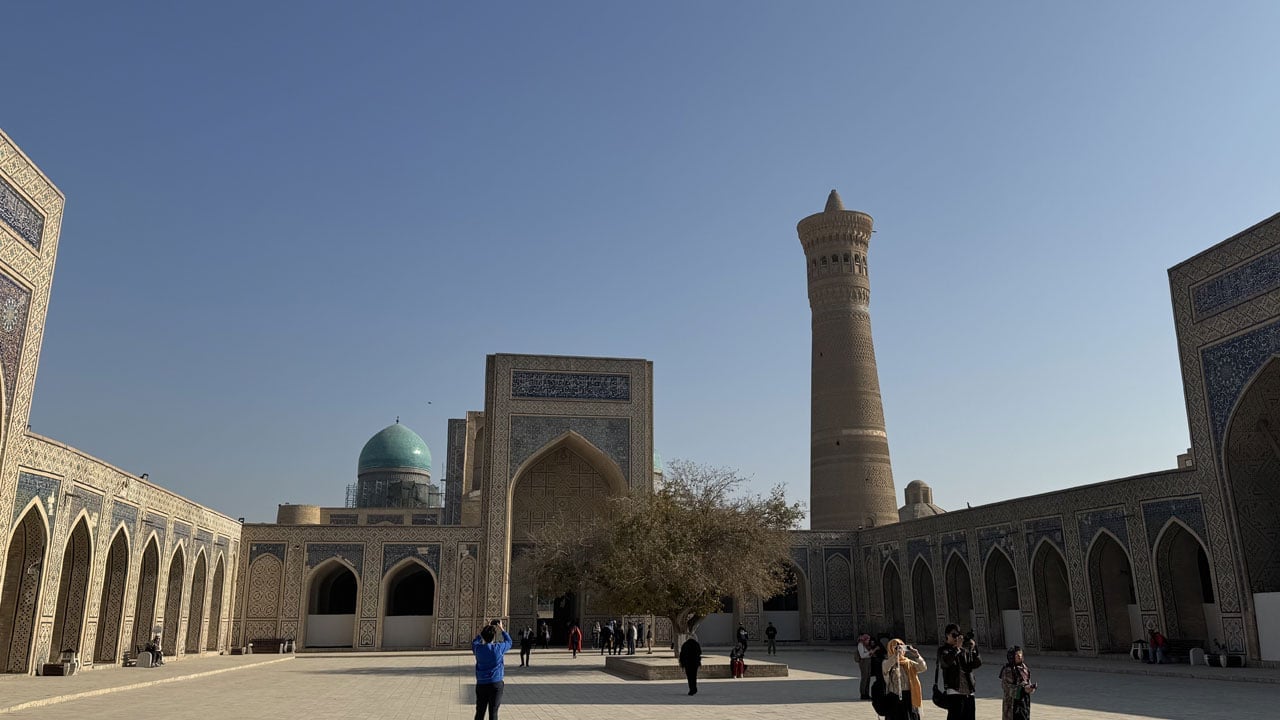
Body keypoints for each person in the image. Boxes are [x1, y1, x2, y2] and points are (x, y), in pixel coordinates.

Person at [939, 624, 982, 720]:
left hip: (969, 692)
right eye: (953, 635)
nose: (956, 638)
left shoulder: (964, 651)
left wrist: (974, 649)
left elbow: (976, 664)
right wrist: (956, 649)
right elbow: (946, 662)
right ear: (947, 635)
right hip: (954, 691)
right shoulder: (943, 650)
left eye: (958, 635)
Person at [472, 619, 512, 720]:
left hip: (481, 684)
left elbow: (474, 642)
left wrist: (485, 629)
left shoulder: (478, 649)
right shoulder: (498, 648)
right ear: (494, 637)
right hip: (495, 683)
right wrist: (502, 629)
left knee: (480, 712)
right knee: (493, 712)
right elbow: (509, 642)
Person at [882, 638, 926, 720]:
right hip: (894, 698)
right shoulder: (887, 662)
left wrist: (917, 655)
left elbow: (922, 668)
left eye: (901, 646)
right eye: (896, 647)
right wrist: (895, 656)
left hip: (909, 697)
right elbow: (886, 668)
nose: (900, 649)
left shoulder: (908, 662)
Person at [998, 646, 1035, 720]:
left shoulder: (1024, 667)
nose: (1020, 656)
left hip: (1024, 703)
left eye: (1021, 654)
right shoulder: (1008, 670)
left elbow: (1027, 682)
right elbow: (1008, 688)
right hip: (1012, 706)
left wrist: (1030, 688)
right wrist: (1023, 689)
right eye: (1017, 655)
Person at [857, 633, 875, 699]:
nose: (868, 641)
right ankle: (863, 694)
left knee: (868, 678)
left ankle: (867, 693)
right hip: (863, 662)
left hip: (868, 661)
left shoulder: (867, 645)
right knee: (864, 678)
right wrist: (869, 652)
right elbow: (862, 655)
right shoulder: (860, 645)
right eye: (867, 640)